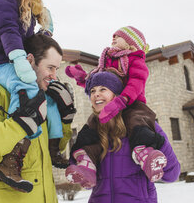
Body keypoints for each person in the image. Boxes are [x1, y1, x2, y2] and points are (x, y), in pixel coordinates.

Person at [0, 0, 71, 191]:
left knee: (46, 99)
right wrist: (19, 58)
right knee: (29, 92)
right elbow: (7, 28)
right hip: (0, 61)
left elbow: (28, 38)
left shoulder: (24, 0)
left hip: (16, 58)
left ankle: (53, 148)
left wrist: (46, 32)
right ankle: (9, 158)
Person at [0, 33, 74, 202]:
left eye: (57, 69)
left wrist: (65, 118)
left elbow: (52, 152)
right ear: (30, 61)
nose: (54, 76)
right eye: (50, 68)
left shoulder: (40, 98)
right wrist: (18, 124)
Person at [65, 26, 167, 183]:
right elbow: (101, 82)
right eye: (113, 35)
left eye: (118, 36)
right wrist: (84, 79)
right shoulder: (107, 60)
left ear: (131, 43)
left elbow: (136, 83)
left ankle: (145, 154)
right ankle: (86, 163)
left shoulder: (135, 60)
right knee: (92, 125)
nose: (113, 37)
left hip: (132, 103)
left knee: (136, 121)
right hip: (110, 107)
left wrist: (122, 100)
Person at [65, 71, 180, 202]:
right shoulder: (90, 132)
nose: (96, 94)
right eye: (92, 91)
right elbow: (87, 183)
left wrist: (158, 143)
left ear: (117, 95)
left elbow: (172, 175)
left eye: (103, 89)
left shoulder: (142, 126)